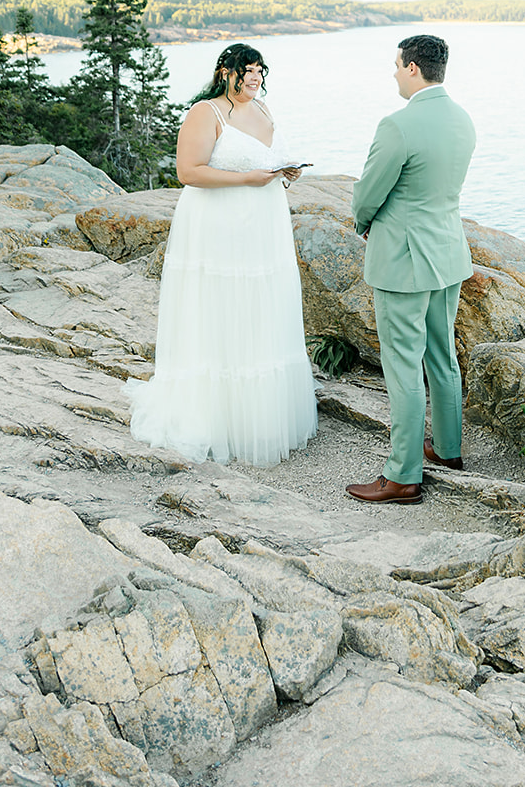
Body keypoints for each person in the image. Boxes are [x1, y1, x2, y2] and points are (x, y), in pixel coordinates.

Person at [126, 43, 317, 466]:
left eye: (260, 71)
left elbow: (268, 158)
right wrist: (246, 177)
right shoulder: (205, 113)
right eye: (247, 71)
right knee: (220, 307)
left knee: (259, 308)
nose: (256, 78)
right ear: (224, 72)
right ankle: (217, 415)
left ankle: (261, 414)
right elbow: (188, 172)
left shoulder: (264, 110)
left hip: (264, 222)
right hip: (219, 225)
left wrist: (285, 169)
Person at [346, 34, 476, 504]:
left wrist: (362, 220)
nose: (394, 73)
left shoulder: (397, 126)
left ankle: (403, 475)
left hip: (404, 259)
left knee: (402, 365)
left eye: (397, 65)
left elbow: (369, 192)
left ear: (415, 68)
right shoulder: (463, 120)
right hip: (447, 254)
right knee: (442, 355)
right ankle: (447, 448)